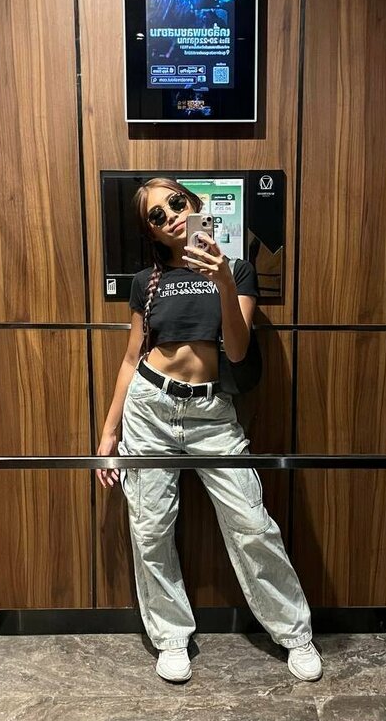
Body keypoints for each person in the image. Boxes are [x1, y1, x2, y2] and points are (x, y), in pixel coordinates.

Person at [95, 177, 322, 684]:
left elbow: (237, 350)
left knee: (252, 524)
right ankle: (171, 637)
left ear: (194, 203)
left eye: (176, 203)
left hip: (212, 416)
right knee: (150, 529)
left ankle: (294, 632)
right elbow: (131, 358)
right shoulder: (146, 282)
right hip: (150, 411)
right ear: (153, 233)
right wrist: (109, 432)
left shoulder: (237, 270)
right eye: (157, 216)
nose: (172, 216)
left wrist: (222, 280)